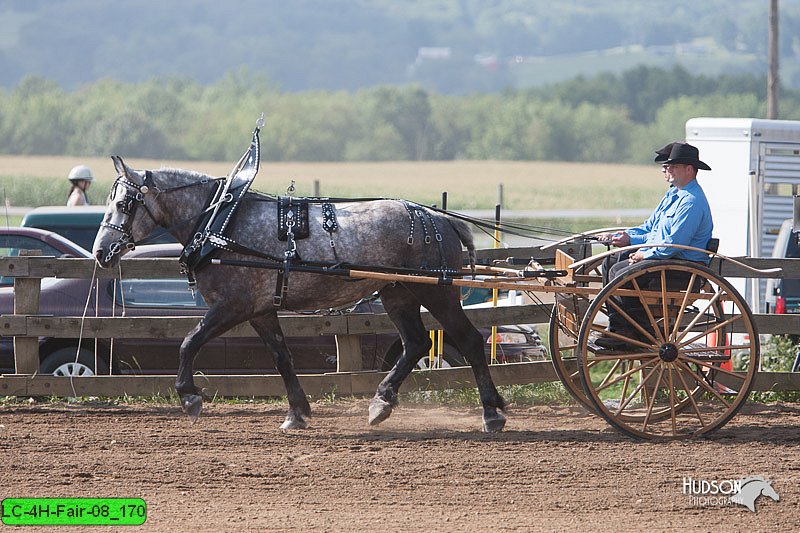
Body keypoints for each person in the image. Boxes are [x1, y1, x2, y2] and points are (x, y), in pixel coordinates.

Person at [594, 142, 714, 350]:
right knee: (611, 261)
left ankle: (636, 329)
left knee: (619, 270)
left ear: (689, 169)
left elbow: (674, 244)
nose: (667, 170)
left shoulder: (691, 202)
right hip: (667, 260)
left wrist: (645, 255)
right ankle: (621, 327)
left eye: (673, 166)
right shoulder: (674, 195)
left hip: (679, 267)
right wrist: (626, 238)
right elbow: (651, 229)